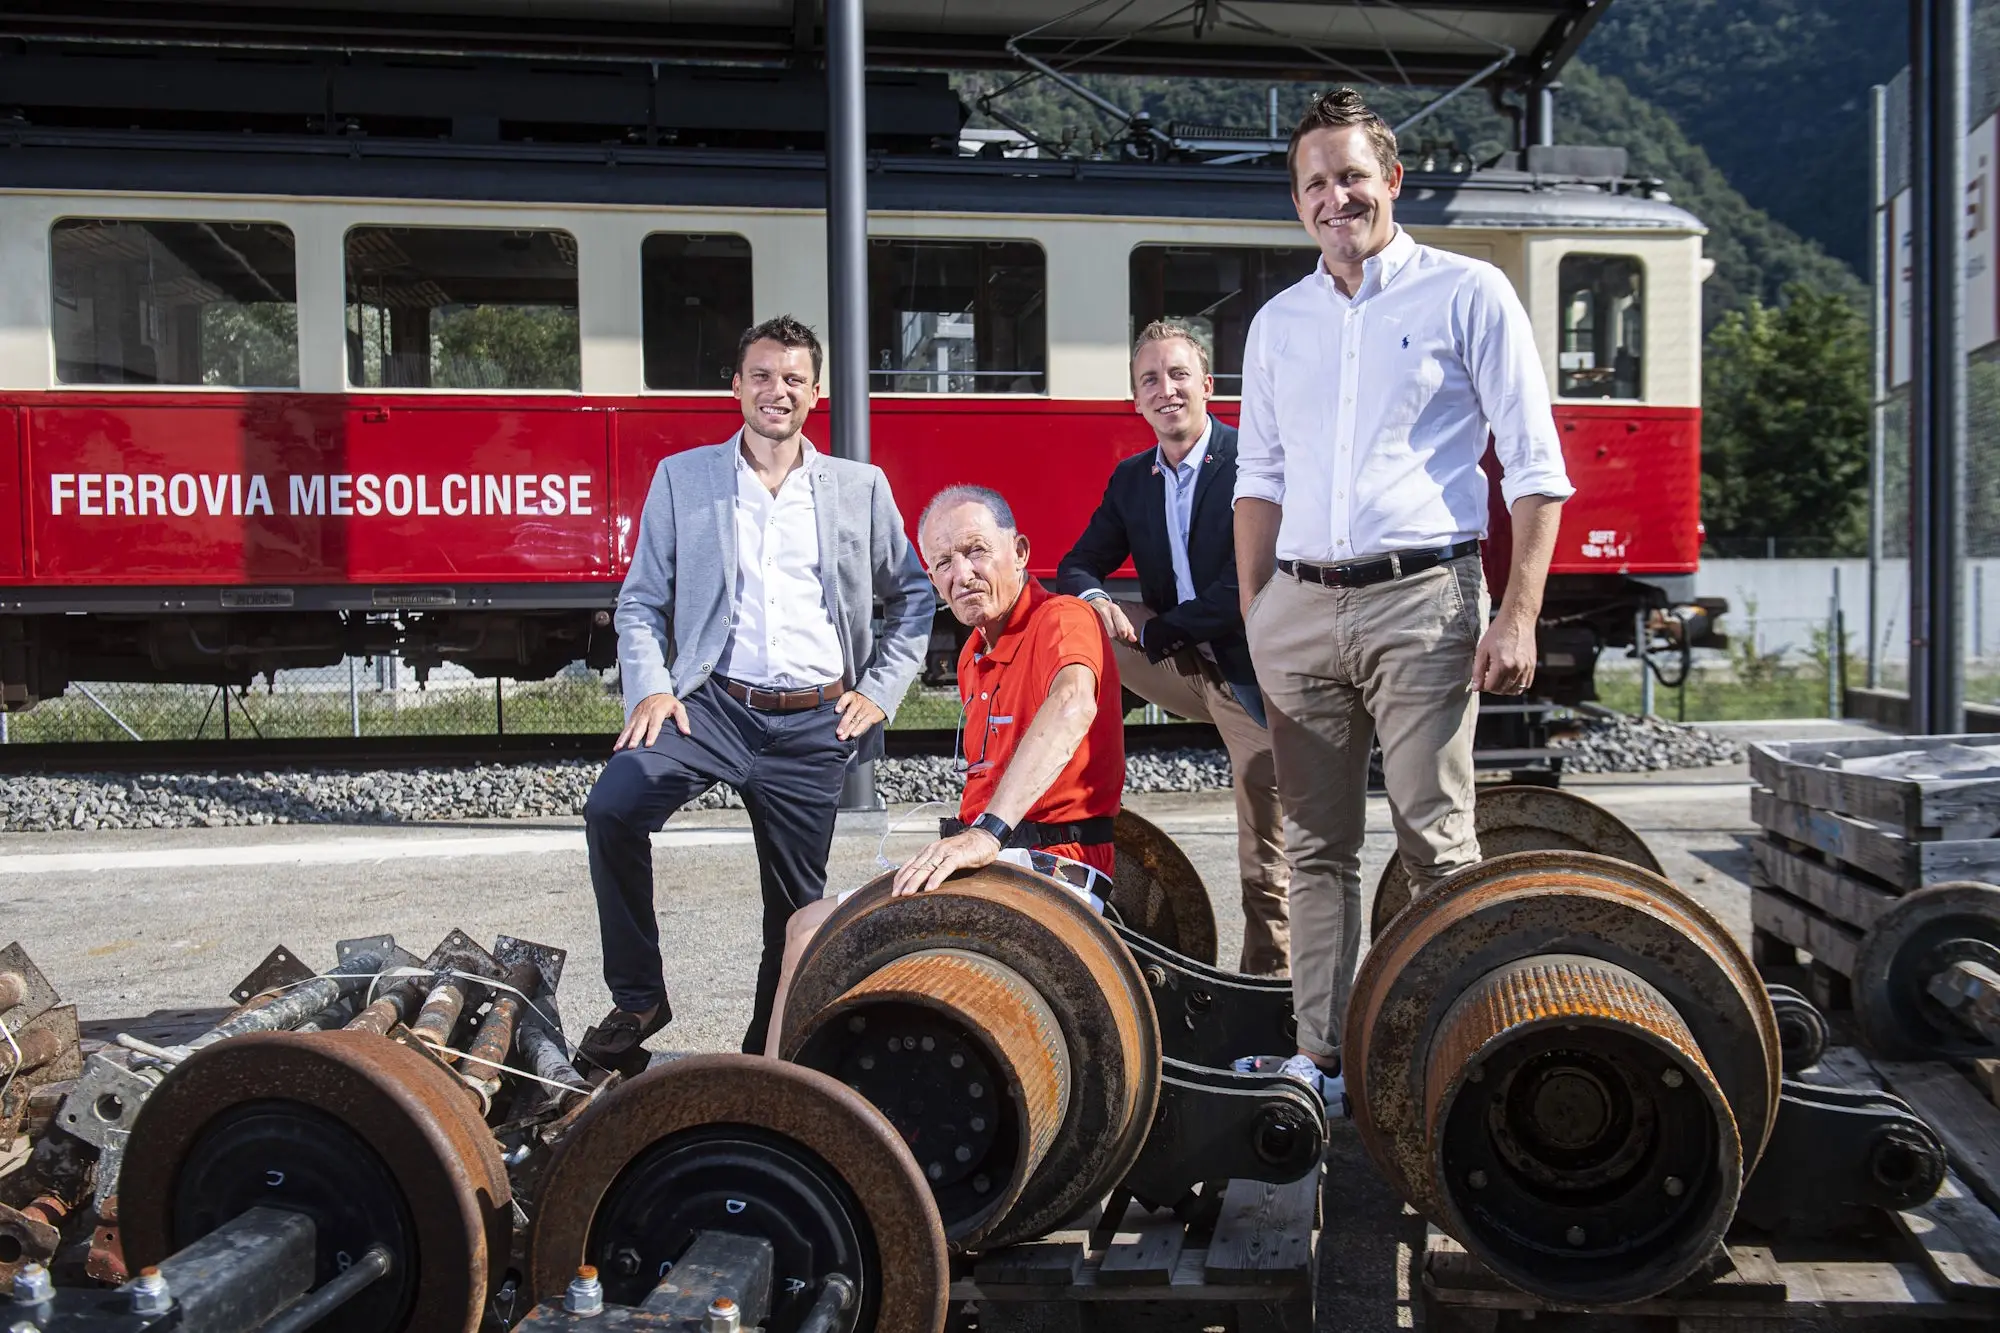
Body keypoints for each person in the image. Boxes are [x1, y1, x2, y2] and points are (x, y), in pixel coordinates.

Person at [1232, 89, 1573, 1085]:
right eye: (1313, 183)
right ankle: (1317, 1059)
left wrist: (1517, 614)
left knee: (1433, 837)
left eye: (1350, 176)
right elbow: (1258, 479)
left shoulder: (1466, 293)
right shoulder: (1276, 323)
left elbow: (1536, 466)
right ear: (1296, 203)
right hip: (1296, 608)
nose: (1334, 197)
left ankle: (1452, 1052)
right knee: (1314, 848)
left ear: (1390, 181)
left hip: (1422, 599)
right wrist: (1257, 616)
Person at [578, 314, 932, 1075]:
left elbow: (913, 597)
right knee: (613, 806)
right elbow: (640, 602)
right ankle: (639, 995)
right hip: (711, 705)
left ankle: (759, 1064)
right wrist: (651, 688)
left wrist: (880, 691)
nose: (778, 391)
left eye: (794, 379)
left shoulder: (859, 488)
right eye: (763, 376)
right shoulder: (685, 476)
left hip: (814, 722)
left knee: (797, 911)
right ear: (736, 386)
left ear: (816, 393)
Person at [763, 484, 1125, 1055]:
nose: (962, 573)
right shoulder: (971, 656)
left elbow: (1072, 705)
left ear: (1021, 552)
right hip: (1002, 863)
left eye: (977, 551)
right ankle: (786, 1096)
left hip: (1048, 869)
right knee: (805, 925)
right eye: (943, 563)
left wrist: (987, 833)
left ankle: (782, 1113)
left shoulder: (1064, 617)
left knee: (810, 934)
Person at [1057, 321, 1290, 976]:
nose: (1166, 390)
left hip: (1252, 672)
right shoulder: (1133, 480)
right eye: (1150, 380)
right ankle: (1056, 799)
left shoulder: (1252, 464)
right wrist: (1099, 602)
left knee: (1267, 860)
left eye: (1179, 374)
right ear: (1136, 399)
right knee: (1076, 624)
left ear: (1208, 386)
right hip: (1182, 663)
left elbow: (1245, 588)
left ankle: (1273, 993)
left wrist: (1155, 630)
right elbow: (1076, 565)